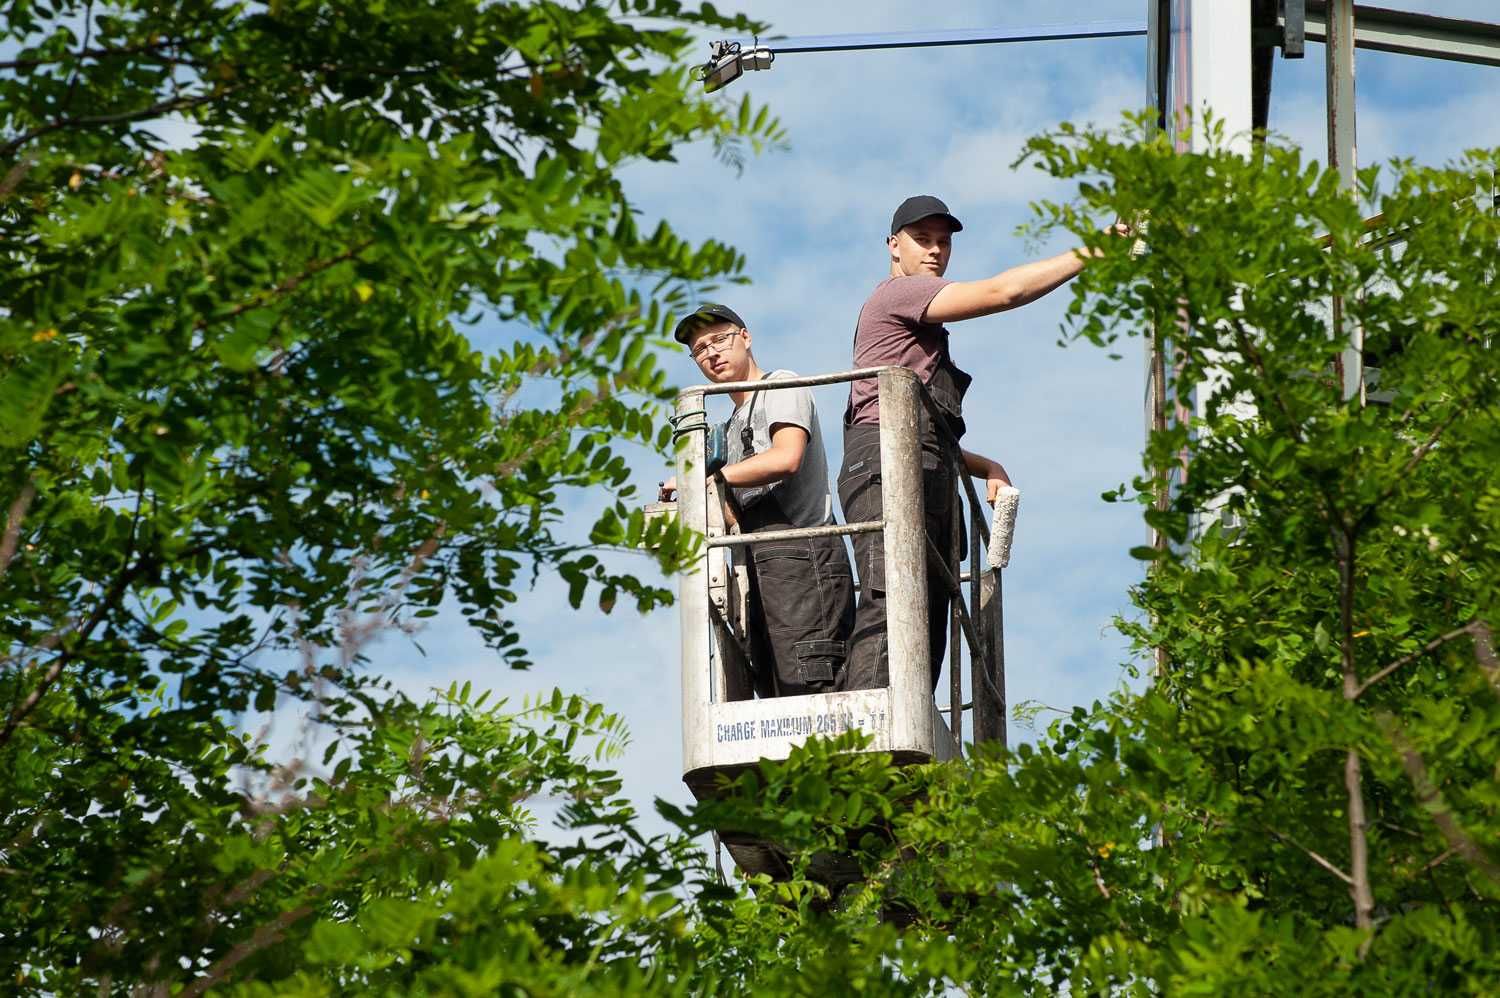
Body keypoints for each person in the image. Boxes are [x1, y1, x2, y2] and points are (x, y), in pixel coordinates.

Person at [839, 194, 1112, 692]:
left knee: (930, 615)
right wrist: (1092, 252)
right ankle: (867, 734)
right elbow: (1004, 293)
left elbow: (919, 433)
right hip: (881, 463)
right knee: (893, 598)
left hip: (923, 464)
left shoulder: (924, 331)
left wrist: (988, 466)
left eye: (943, 242)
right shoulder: (896, 296)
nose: (935, 251)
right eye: (922, 240)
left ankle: (907, 735)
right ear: (893, 247)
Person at [661, 303, 855, 696]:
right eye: (700, 349)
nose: (711, 353)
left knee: (813, 687)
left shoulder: (780, 387)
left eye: (719, 339)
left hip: (805, 562)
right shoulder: (730, 428)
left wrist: (703, 481)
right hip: (760, 574)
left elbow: (786, 457)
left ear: (745, 338)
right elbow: (731, 515)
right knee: (774, 694)